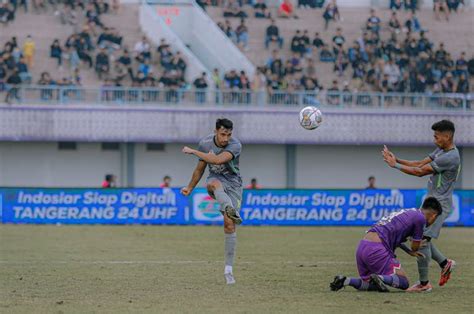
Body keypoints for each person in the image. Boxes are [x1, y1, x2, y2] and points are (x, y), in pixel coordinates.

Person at [382, 120, 460, 292]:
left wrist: (395, 166)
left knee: (422, 240)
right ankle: (445, 263)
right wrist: (397, 159)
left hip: (439, 204)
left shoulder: (451, 157)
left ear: (447, 136)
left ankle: (424, 284)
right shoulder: (441, 150)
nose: (434, 140)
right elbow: (419, 163)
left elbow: (419, 172)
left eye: (437, 136)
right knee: (420, 237)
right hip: (431, 201)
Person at [330, 197, 442, 292]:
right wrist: (415, 245)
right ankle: (380, 277)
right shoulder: (420, 218)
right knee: (403, 282)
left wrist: (409, 251)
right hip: (376, 249)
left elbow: (395, 238)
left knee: (371, 284)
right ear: (433, 215)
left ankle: (345, 280)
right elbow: (415, 246)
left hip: (363, 246)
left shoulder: (409, 213)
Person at [181, 118, 243, 285]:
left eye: (229, 135)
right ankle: (228, 206)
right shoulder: (206, 143)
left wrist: (193, 151)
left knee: (229, 225)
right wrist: (189, 188)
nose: (225, 138)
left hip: (234, 185)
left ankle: (228, 270)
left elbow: (216, 160)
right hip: (216, 179)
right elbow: (200, 169)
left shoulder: (235, 145)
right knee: (212, 184)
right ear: (216, 131)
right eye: (223, 134)